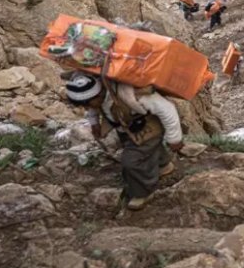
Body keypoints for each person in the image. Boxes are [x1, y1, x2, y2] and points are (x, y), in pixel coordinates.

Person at [65, 73, 182, 210]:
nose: (86, 108)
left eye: (87, 104)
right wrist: (95, 123)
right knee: (144, 151)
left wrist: (174, 139)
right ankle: (163, 166)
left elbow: (167, 109)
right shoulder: (97, 98)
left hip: (148, 128)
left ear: (98, 95)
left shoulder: (131, 95)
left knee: (130, 161)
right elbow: (93, 109)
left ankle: (142, 192)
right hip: (127, 129)